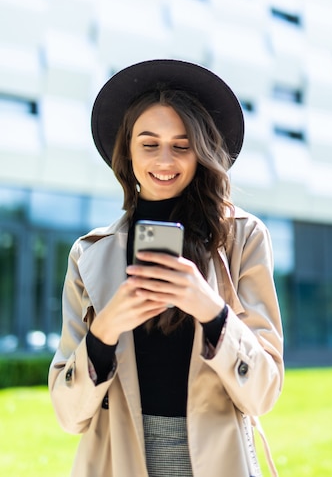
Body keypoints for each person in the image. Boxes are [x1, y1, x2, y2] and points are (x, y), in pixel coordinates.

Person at [49, 58, 284, 477]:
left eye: (181, 145)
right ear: (128, 151)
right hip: (116, 461)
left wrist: (211, 310)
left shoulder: (244, 238)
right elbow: (69, 416)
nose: (164, 159)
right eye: (149, 142)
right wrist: (105, 330)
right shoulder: (90, 254)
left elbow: (264, 394)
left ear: (201, 152)